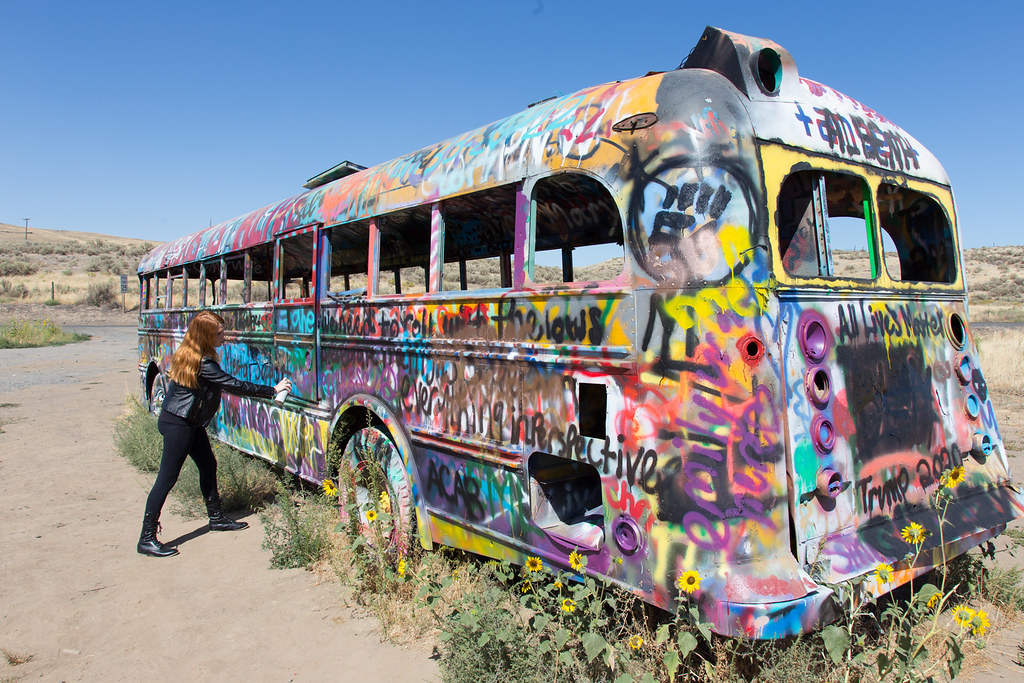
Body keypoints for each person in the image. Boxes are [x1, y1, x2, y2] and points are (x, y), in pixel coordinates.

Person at [138, 311, 292, 558]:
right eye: (219, 333)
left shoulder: (193, 353)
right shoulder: (203, 363)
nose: (224, 336)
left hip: (188, 421)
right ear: (206, 336)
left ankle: (216, 518)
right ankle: (146, 537)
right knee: (166, 479)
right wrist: (272, 390)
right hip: (179, 424)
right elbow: (233, 384)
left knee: (208, 465)